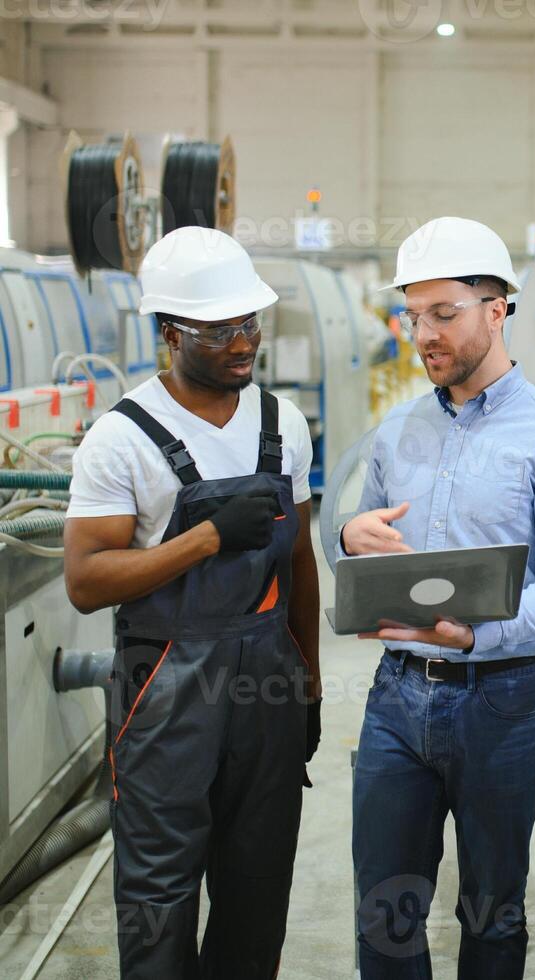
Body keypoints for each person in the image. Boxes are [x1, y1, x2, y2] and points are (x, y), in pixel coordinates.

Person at [344, 216, 535, 978]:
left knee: (492, 910)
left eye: (444, 314)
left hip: (505, 698)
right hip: (397, 695)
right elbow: (361, 542)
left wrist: (478, 638)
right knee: (383, 910)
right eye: (412, 314)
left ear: (497, 310)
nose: (422, 333)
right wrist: (348, 540)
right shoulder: (396, 432)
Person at [63, 227, 321, 979]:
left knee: (258, 883)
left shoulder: (282, 424)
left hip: (266, 679)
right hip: (167, 686)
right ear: (170, 333)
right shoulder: (123, 439)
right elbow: (85, 580)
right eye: (219, 330)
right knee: (159, 893)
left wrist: (305, 680)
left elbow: (299, 562)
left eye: (249, 324)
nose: (243, 343)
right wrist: (202, 541)